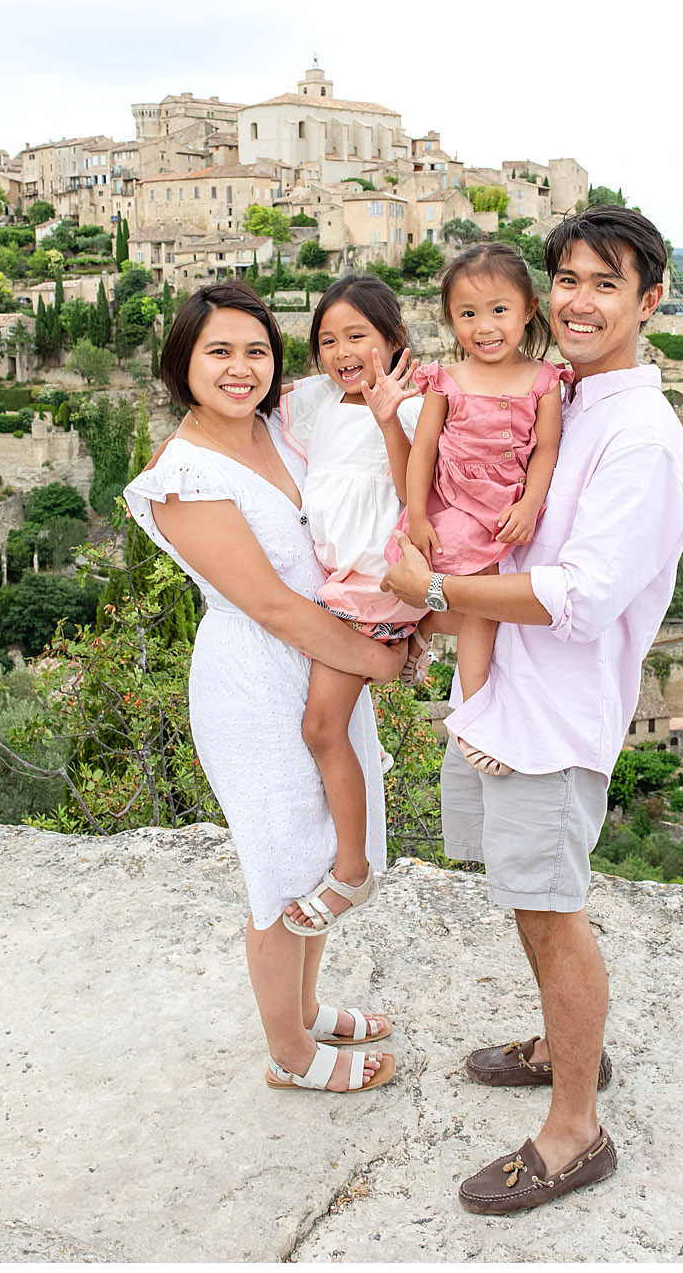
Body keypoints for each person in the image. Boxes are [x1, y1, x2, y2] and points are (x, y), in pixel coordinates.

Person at [382, 205, 683, 1213]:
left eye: (607, 283)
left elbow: (582, 597)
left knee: (556, 913)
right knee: (527, 897)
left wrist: (436, 591)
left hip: (554, 718)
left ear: (650, 301)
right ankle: (569, 1050)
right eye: (567, 279)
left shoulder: (642, 438)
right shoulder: (567, 396)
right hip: (503, 700)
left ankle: (575, 1131)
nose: (579, 301)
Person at [122, 283, 405, 1094]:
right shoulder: (183, 476)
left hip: (323, 663)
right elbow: (274, 605)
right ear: (182, 362)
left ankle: (307, 1007)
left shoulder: (281, 425)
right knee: (280, 868)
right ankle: (289, 1052)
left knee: (318, 853)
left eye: (256, 350)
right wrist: (377, 659)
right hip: (256, 678)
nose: (240, 368)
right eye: (218, 351)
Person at [276, 275, 430, 936]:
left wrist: (388, 415)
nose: (341, 351)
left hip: (372, 588)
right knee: (327, 726)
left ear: (393, 339)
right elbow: (262, 400)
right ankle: (368, 757)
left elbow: (414, 491)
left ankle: (352, 870)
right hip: (341, 586)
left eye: (357, 336)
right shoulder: (320, 403)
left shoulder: (410, 408)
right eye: (328, 339)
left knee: (320, 728)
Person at [392, 241, 564, 776]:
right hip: (458, 507)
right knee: (481, 605)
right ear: (451, 319)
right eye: (467, 314)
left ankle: (426, 640)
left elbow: (547, 450)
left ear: (528, 309)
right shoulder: (447, 380)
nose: (484, 326)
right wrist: (417, 516)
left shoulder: (544, 380)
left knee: (478, 606)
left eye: (498, 310)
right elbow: (423, 449)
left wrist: (531, 504)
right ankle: (472, 713)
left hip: (506, 511)